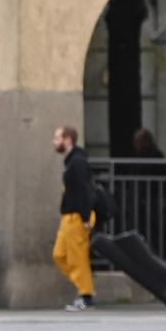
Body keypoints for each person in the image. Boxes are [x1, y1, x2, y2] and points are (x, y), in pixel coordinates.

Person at [52, 124, 97, 311]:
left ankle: (86, 296)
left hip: (77, 216)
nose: (54, 142)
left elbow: (85, 190)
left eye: (57, 138)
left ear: (67, 140)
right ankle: (85, 285)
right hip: (69, 216)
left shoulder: (77, 162)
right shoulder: (72, 161)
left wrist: (86, 217)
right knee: (59, 255)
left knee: (78, 259)